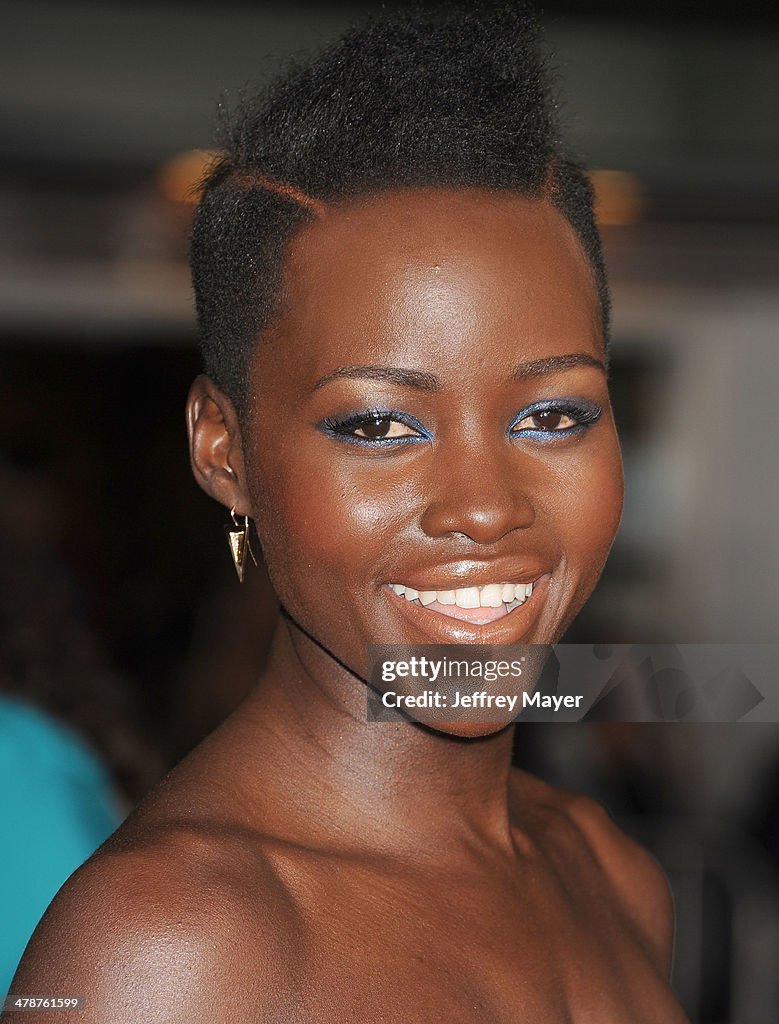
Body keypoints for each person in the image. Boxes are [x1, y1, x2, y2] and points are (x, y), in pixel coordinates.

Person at [5, 6, 690, 1021]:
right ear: (221, 449)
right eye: (377, 426)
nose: (484, 507)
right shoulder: (166, 946)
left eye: (550, 414)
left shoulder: (607, 872)